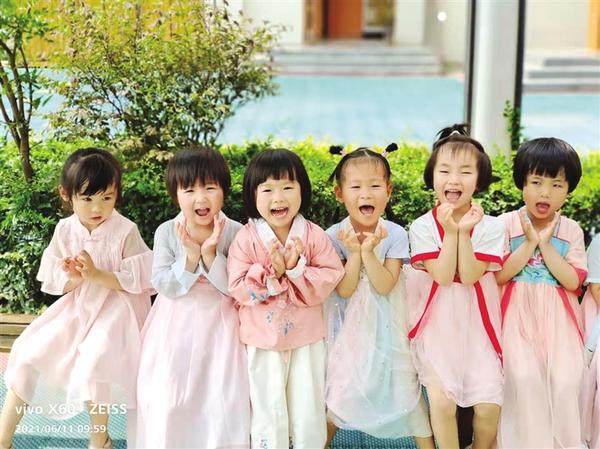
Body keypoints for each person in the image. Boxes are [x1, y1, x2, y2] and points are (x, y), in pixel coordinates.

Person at [0, 148, 153, 449]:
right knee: (29, 352)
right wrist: (74, 277)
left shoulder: (125, 230)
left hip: (117, 310)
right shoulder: (65, 229)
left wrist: (95, 274)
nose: (98, 207)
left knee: (96, 359)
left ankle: (100, 440)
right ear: (66, 194)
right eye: (87, 198)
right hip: (79, 306)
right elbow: (58, 284)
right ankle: (3, 438)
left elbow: (138, 281)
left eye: (107, 198)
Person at [227, 148, 344, 449]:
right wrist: (271, 273)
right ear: (253, 195)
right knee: (268, 410)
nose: (278, 198)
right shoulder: (245, 238)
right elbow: (237, 287)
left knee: (309, 409)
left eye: (288, 187)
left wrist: (295, 270)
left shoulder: (313, 235)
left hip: (307, 339)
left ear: (302, 190)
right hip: (261, 340)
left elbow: (331, 274)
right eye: (267, 189)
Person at [134, 148, 249, 449]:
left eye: (210, 187)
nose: (201, 198)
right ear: (176, 195)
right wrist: (189, 258)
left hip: (222, 322)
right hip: (174, 321)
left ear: (223, 190)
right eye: (189, 190)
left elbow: (236, 287)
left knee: (220, 393)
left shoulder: (236, 232)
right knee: (169, 393)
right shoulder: (166, 232)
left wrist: (209, 255)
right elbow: (162, 284)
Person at [324, 145, 434, 448]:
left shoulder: (395, 234)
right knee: (341, 393)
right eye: (356, 187)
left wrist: (368, 252)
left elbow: (385, 285)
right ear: (339, 193)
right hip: (351, 331)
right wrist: (354, 253)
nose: (366, 194)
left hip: (390, 327)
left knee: (406, 391)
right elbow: (344, 289)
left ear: (388, 191)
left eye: (374, 186)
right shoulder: (333, 236)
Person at [406, 125, 504, 449]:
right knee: (442, 403)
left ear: (479, 180)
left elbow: (472, 274)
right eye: (445, 170)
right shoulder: (422, 226)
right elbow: (444, 276)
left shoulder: (491, 226)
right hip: (438, 327)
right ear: (432, 176)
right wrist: (452, 232)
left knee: (489, 406)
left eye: (465, 171)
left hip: (479, 327)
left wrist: (463, 232)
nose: (454, 179)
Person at [496, 137, 587, 448]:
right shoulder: (505, 224)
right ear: (522, 183)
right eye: (536, 182)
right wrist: (530, 243)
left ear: (568, 189)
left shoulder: (571, 230)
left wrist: (545, 245)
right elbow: (500, 275)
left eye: (557, 185)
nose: (545, 192)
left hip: (559, 320)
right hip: (514, 315)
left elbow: (572, 282)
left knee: (565, 380)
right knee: (523, 378)